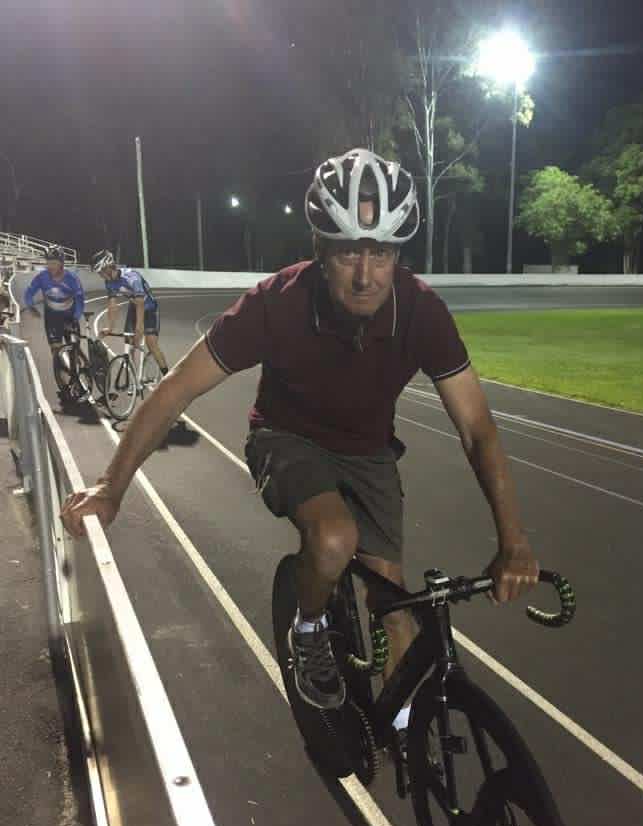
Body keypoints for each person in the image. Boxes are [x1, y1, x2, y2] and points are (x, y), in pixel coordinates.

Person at [62, 148, 539, 716]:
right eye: (346, 253)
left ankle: (409, 731)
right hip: (287, 438)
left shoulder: (422, 312)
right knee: (334, 539)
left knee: (392, 599)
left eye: (380, 252)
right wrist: (112, 488)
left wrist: (513, 542)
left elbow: (477, 428)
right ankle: (307, 628)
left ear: (397, 254)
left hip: (369, 451)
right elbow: (175, 390)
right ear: (319, 251)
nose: (365, 275)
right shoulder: (275, 305)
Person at [89, 250, 169, 376]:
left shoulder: (132, 277)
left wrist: (139, 329)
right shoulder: (109, 281)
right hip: (134, 307)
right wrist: (110, 327)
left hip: (149, 308)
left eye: (101, 271)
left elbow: (141, 304)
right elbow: (112, 305)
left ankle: (167, 376)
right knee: (129, 344)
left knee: (151, 344)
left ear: (108, 267)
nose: (100, 275)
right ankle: (134, 380)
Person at [21, 246, 85, 354]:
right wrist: (30, 307)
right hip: (52, 318)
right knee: (55, 351)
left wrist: (75, 317)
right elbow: (29, 292)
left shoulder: (72, 278)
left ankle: (79, 362)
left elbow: (80, 300)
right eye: (48, 263)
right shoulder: (42, 277)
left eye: (54, 263)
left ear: (61, 263)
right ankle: (59, 368)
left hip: (70, 317)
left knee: (74, 349)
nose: (50, 266)